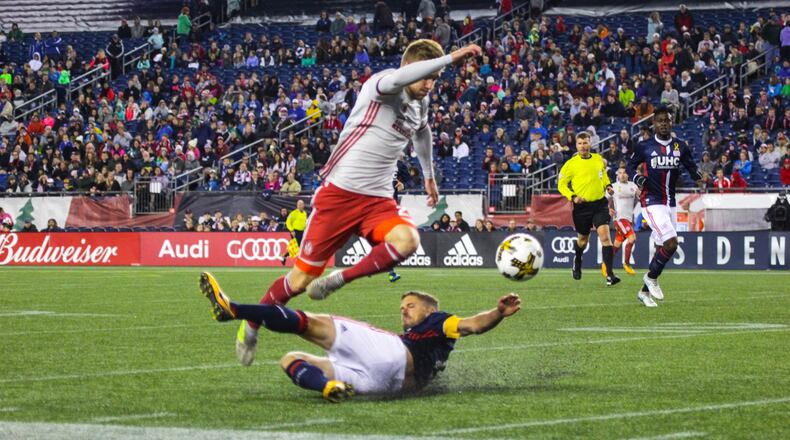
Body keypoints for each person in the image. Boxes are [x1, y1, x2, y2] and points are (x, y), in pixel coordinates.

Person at [224, 40, 482, 367]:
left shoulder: (421, 103)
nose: (430, 84)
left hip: (378, 200)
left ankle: (339, 279)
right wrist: (451, 57)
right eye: (426, 76)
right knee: (299, 281)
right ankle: (251, 325)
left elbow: (422, 132)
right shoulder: (382, 84)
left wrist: (428, 174)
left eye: (435, 79)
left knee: (408, 240)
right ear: (410, 69)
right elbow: (400, 80)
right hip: (339, 195)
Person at [199, 272, 521, 401]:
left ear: (430, 309)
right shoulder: (433, 343)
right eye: (402, 307)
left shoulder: (440, 320)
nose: (404, 311)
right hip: (381, 386)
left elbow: (472, 324)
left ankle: (234, 309)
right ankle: (328, 387)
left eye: (411, 306)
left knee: (311, 324)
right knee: (290, 359)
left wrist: (497, 312)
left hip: (391, 354)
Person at [627, 105, 702, 307]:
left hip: (670, 202)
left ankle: (644, 292)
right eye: (660, 121)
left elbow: (690, 164)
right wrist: (637, 178)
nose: (664, 124)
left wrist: (697, 175)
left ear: (671, 122)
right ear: (654, 123)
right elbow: (630, 166)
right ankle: (651, 278)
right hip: (651, 201)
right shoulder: (645, 146)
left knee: (662, 247)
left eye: (667, 120)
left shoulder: (680, 146)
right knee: (671, 243)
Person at [557, 131, 620, 286]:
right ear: (576, 145)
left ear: (590, 143)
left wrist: (608, 185)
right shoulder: (570, 164)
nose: (583, 146)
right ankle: (577, 259)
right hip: (581, 207)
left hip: (600, 204)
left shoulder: (598, 159)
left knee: (605, 237)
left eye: (585, 143)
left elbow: (602, 174)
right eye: (580, 143)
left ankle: (610, 274)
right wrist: (572, 196)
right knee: (583, 240)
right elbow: (561, 185)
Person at [610, 167, 640, 277]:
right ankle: (626, 264)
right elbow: (603, 199)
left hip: (629, 219)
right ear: (617, 175)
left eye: (624, 173)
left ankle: (605, 264)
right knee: (632, 238)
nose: (622, 175)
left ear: (628, 175)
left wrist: (640, 192)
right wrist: (608, 209)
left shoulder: (633, 185)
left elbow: (640, 196)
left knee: (616, 244)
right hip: (619, 218)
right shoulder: (613, 186)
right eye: (620, 173)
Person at [280, 199, 307, 265]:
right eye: (298, 205)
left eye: (301, 204)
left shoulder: (304, 213)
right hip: (295, 232)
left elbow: (304, 223)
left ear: (303, 205)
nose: (300, 206)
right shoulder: (293, 213)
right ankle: (301, 263)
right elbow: (288, 222)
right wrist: (291, 230)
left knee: (296, 248)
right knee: (300, 247)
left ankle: (284, 256)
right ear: (297, 206)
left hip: (302, 232)